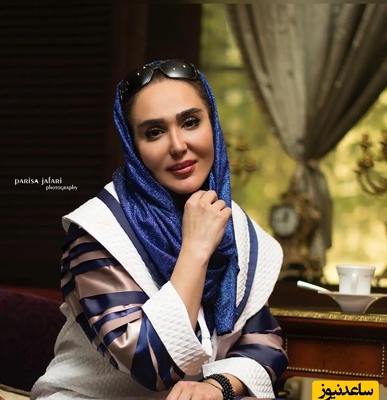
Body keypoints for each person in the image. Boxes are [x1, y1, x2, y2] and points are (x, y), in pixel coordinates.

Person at [31, 59, 288, 400]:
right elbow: (151, 361)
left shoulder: (231, 223)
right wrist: (196, 248)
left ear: (213, 124)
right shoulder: (99, 230)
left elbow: (265, 343)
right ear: (132, 145)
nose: (178, 146)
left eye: (190, 122)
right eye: (154, 132)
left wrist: (217, 387)